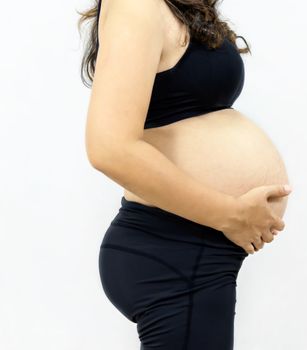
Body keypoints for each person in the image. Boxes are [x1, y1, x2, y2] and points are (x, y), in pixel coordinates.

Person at [79, 0, 292, 348]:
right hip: (173, 247)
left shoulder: (173, 7)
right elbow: (108, 148)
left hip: (195, 248)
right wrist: (230, 214)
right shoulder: (136, 4)